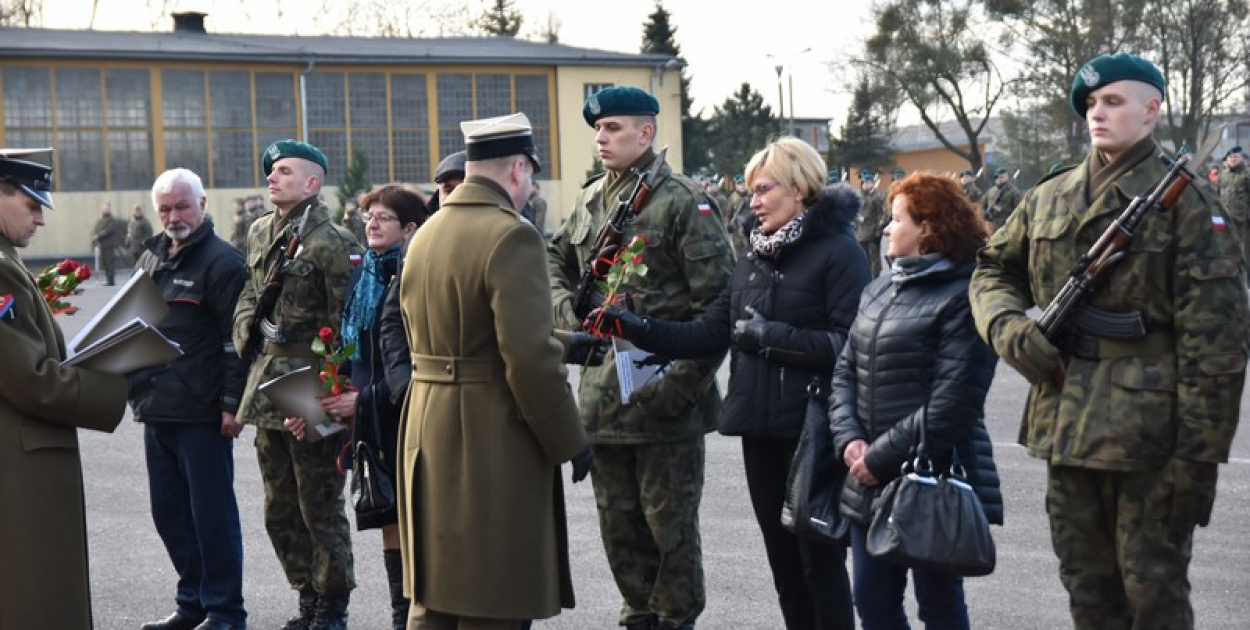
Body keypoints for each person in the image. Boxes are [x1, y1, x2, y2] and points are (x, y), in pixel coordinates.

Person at [970, 53, 1248, 630]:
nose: (1097, 113)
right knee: (1086, 591)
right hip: (1066, 425)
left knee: (1154, 597)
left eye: (1113, 101)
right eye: (1091, 104)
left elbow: (1216, 347)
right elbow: (991, 270)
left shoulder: (1188, 207)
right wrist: (1010, 329)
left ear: (1152, 111)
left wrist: (1197, 459)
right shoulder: (1049, 196)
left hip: (1151, 439)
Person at [584, 137, 866, 630]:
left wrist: (769, 338)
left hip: (814, 432)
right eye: (750, 191)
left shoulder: (840, 253)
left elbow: (849, 344)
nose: (751, 201)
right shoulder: (755, 258)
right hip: (760, 433)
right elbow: (706, 333)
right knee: (785, 570)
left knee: (820, 567)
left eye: (763, 189)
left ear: (799, 189)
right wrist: (631, 325)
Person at [547, 85, 734, 630]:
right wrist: (565, 310)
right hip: (604, 401)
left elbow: (718, 308)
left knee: (670, 534)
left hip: (664, 401)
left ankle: (676, 621)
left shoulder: (681, 199)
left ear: (646, 133)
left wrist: (679, 390)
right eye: (598, 130)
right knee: (618, 531)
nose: (601, 139)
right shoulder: (590, 197)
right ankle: (638, 618)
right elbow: (554, 258)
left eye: (613, 129)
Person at [397, 112, 591, 630]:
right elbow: (527, 361)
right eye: (530, 175)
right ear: (516, 170)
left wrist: (568, 343)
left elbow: (457, 331)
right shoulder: (513, 237)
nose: (530, 187)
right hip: (488, 436)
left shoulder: (427, 232)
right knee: (494, 602)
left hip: (427, 426)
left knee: (438, 600)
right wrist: (569, 441)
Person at [831, 172, 1002, 630]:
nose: (886, 228)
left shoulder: (966, 297)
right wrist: (849, 438)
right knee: (871, 602)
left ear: (926, 228)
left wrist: (880, 457)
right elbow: (845, 371)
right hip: (869, 478)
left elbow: (954, 403)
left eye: (897, 219)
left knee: (940, 605)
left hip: (934, 475)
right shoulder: (880, 287)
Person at [285, 184, 428, 630]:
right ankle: (401, 619)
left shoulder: (415, 276)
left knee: (419, 521)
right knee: (386, 516)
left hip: (406, 412)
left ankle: (423, 616)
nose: (373, 223)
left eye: (384, 217)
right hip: (368, 420)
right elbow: (346, 354)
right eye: (370, 216)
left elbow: (418, 360)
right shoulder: (363, 275)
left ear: (410, 228)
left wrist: (362, 400)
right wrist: (315, 406)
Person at [232, 139, 361, 630]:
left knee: (319, 504)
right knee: (278, 507)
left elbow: (348, 326)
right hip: (268, 384)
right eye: (271, 171)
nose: (272, 178)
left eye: (284, 171)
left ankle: (331, 606)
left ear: (311, 183)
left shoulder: (336, 242)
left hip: (313, 385)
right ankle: (306, 594)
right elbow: (250, 290)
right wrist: (246, 327)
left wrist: (331, 403)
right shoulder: (262, 229)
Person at [0, 148, 130, 629]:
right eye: (31, 205)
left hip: (23, 455)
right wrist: (116, 382)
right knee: (35, 596)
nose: (40, 219)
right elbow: (30, 379)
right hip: (19, 461)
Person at [132, 168, 249, 630]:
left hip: (202, 413)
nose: (173, 216)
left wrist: (231, 403)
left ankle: (224, 611)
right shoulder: (151, 257)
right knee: (171, 518)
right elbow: (133, 324)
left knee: (212, 518)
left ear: (203, 205)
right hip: (156, 406)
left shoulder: (223, 263)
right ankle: (192, 603)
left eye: (182, 206)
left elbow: (236, 342)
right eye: (165, 208)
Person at [1218, 145, 1249, 270]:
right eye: (1231, 157)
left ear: (1241, 158)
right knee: (1225, 248)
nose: (1233, 159)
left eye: (1236, 157)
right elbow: (1217, 194)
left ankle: (1245, 278)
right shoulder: (1223, 175)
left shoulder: (1247, 175)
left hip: (1242, 219)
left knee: (1243, 250)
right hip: (1225, 218)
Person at [855, 167, 885, 276]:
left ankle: (875, 276)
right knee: (864, 256)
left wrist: (878, 230)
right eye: (864, 183)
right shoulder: (860, 196)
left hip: (872, 230)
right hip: (861, 232)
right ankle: (867, 275)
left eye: (869, 182)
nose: (866, 185)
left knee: (874, 256)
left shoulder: (877, 197)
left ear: (873, 183)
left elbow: (881, 215)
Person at [92, 200, 126, 285]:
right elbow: (96, 229)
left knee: (109, 263)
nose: (105, 210)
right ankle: (108, 279)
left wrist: (98, 236)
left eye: (106, 208)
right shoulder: (100, 220)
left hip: (109, 245)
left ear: (110, 209)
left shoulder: (112, 220)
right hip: (102, 245)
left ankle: (111, 280)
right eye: (104, 208)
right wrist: (95, 236)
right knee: (105, 263)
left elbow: (108, 231)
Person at [429, 149, 466, 214]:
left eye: (465, 191)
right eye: (449, 191)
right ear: (438, 195)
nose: (456, 199)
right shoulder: (427, 223)